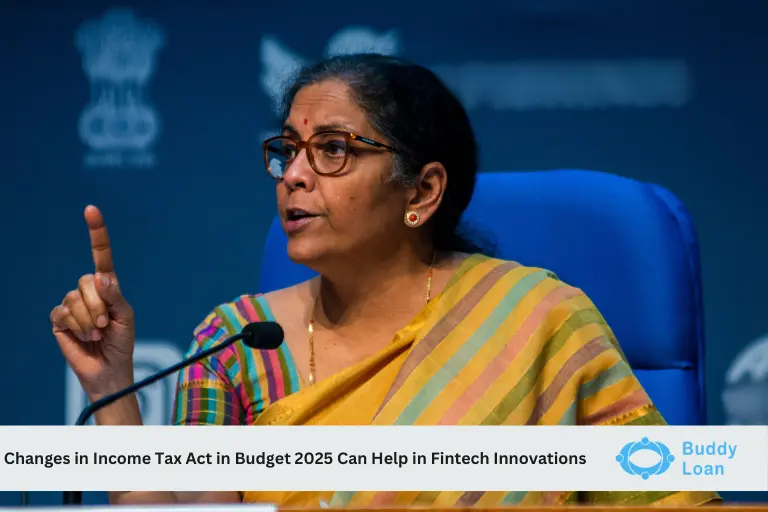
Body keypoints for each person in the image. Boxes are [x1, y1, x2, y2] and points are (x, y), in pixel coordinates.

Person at [51, 54, 720, 507]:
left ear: (422, 191)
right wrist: (111, 389)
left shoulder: (539, 318)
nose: (294, 176)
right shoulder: (236, 344)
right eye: (288, 151)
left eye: (333, 150)